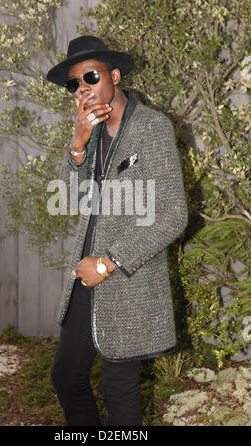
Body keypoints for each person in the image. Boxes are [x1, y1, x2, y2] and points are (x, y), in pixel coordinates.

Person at [46, 35, 188, 426]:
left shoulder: (152, 128)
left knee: (119, 387)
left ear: (115, 75)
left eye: (90, 76)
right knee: (66, 375)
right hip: (84, 280)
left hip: (126, 278)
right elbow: (69, 200)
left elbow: (173, 214)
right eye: (74, 83)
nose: (83, 88)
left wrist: (108, 263)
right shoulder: (86, 134)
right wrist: (78, 143)